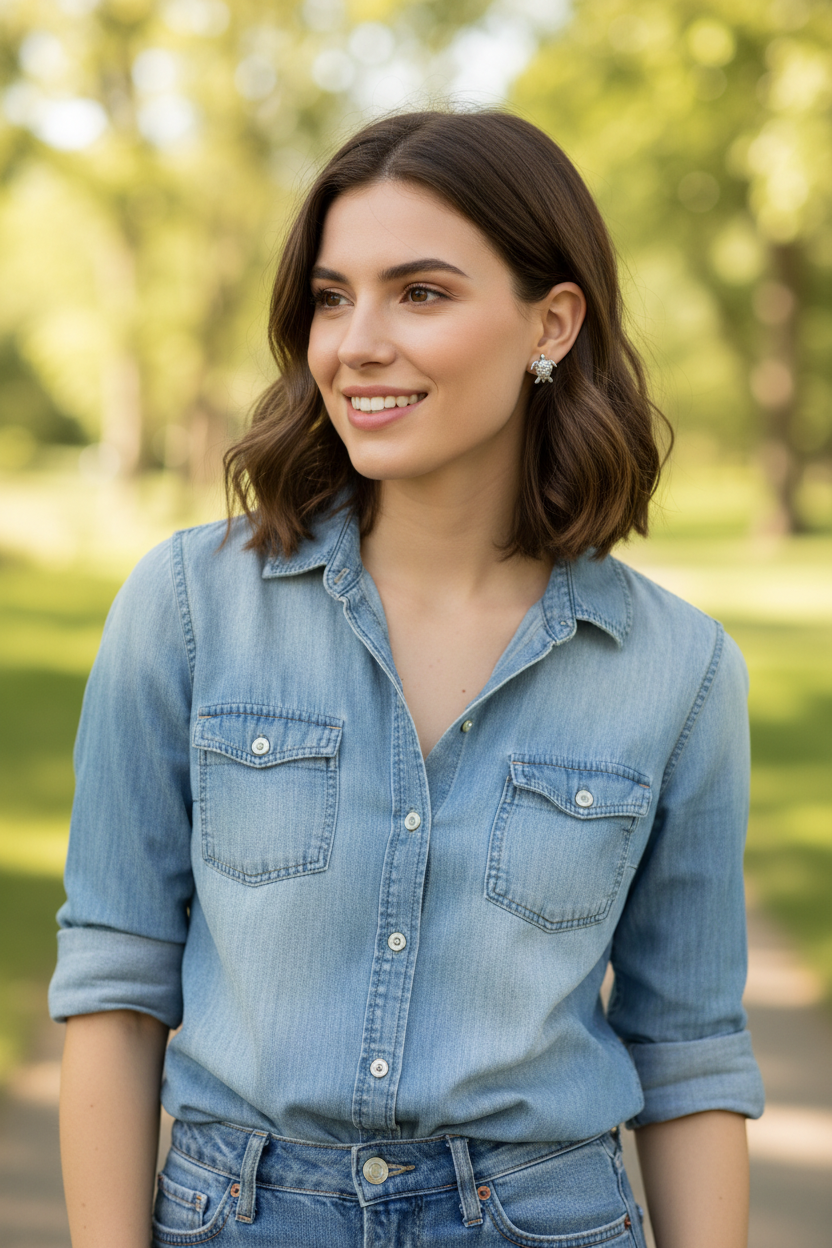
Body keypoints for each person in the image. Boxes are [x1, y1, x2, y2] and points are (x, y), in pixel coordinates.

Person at [50, 110, 764, 1248]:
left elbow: (688, 1055)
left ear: (552, 323)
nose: (355, 344)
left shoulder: (677, 673)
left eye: (419, 294)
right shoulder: (188, 607)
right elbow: (114, 986)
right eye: (333, 297)